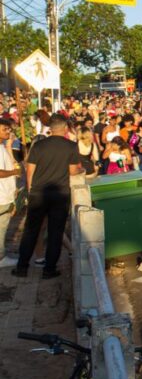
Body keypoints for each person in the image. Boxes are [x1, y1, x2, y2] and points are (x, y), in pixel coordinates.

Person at [13, 114, 82, 279]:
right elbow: (73, 171)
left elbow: (30, 172)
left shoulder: (39, 145)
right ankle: (49, 270)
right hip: (60, 193)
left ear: (50, 129)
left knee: (31, 231)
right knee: (55, 233)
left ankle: (22, 268)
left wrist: (30, 192)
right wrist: (82, 171)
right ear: (65, 129)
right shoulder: (71, 146)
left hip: (38, 193)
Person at [0, 118, 21, 269]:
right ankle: (1, 258)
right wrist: (15, 171)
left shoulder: (2, 146)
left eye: (8, 129)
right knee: (1, 228)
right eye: (4, 129)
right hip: (1, 196)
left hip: (5, 194)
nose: (8, 131)